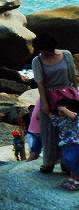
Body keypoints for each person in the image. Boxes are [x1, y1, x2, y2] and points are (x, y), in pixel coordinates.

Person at [31, 33, 79, 174]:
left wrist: (76, 92)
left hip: (68, 97)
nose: (41, 52)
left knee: (69, 132)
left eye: (42, 49)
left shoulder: (66, 54)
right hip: (49, 96)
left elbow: (73, 75)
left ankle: (67, 163)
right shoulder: (37, 61)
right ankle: (49, 162)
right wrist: (44, 104)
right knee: (49, 132)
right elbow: (40, 84)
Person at [50, 98, 79, 190]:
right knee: (69, 162)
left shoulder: (73, 118)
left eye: (63, 112)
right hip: (65, 145)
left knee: (76, 163)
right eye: (59, 112)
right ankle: (72, 179)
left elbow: (74, 116)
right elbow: (54, 120)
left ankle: (77, 181)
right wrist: (48, 112)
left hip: (75, 144)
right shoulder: (61, 120)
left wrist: (64, 109)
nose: (61, 114)